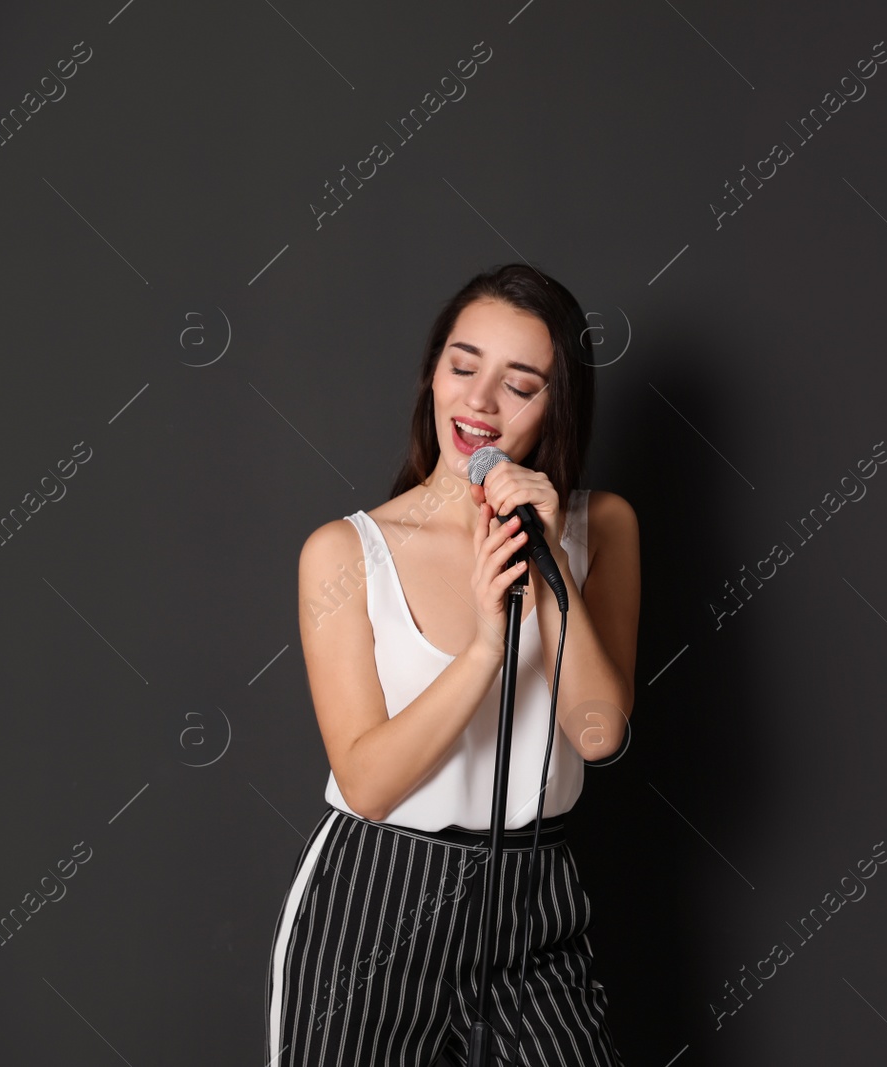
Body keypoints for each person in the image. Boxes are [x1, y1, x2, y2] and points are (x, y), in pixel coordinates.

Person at [266, 263, 640, 1066]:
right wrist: (484, 648)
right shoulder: (344, 552)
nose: (479, 402)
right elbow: (367, 783)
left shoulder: (599, 527)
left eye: (520, 384)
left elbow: (600, 733)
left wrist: (546, 567)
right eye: (462, 367)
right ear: (432, 374)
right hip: (376, 897)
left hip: (532, 898)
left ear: (557, 406)